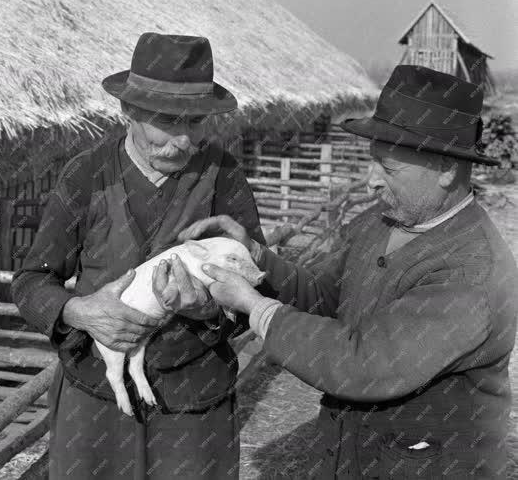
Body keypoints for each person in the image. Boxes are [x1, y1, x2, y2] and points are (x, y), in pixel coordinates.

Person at [182, 65, 518, 478]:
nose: (370, 181)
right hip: (355, 456)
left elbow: (362, 363)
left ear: (447, 168)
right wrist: (251, 253)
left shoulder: (471, 272)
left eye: (388, 169)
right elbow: (322, 295)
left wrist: (255, 306)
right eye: (372, 162)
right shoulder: (381, 222)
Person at [11, 32, 265, 479]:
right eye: (167, 121)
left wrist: (209, 310)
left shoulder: (224, 178)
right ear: (128, 111)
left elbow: (257, 287)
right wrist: (79, 311)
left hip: (193, 402)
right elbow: (32, 281)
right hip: (95, 398)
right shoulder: (87, 175)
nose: (183, 140)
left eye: (196, 123)